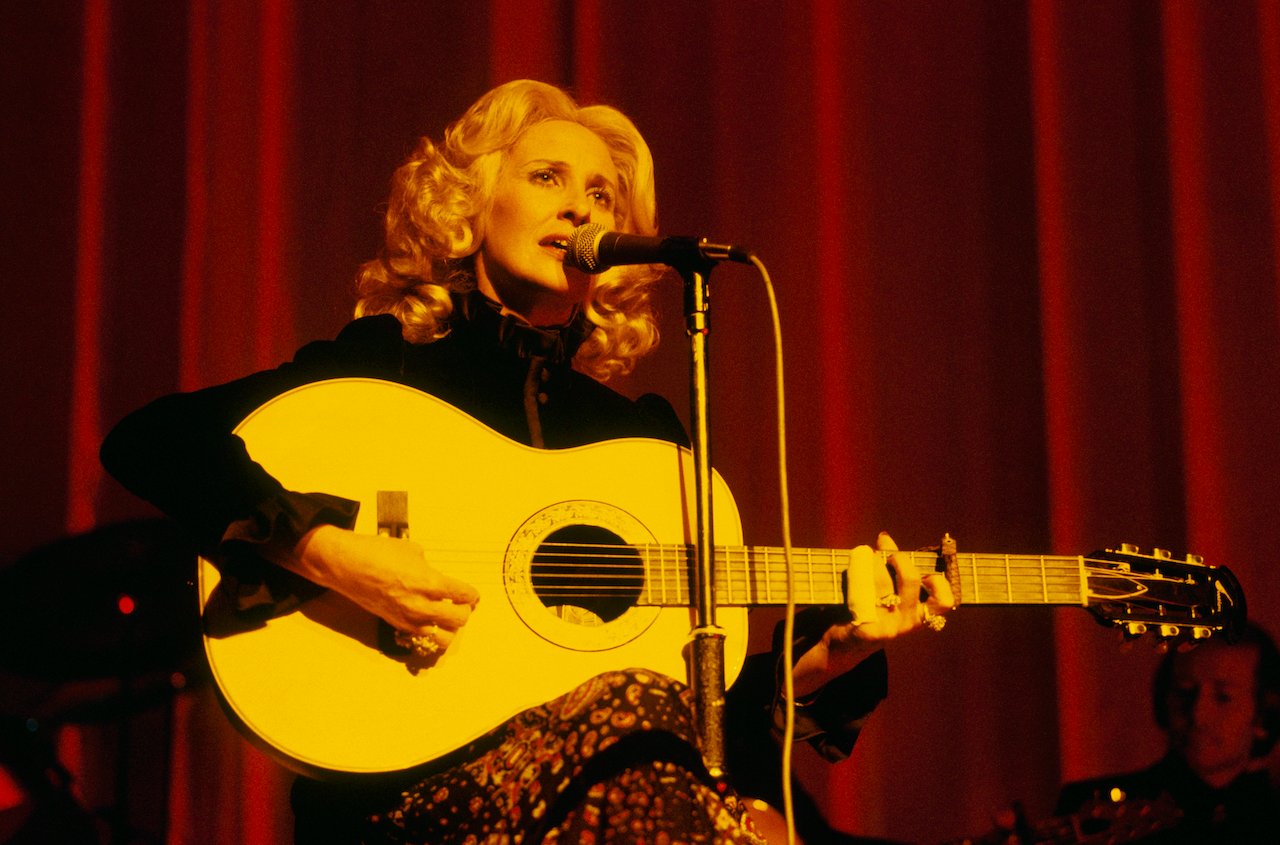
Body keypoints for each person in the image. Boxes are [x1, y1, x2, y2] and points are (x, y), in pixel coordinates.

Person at [100, 79, 953, 844]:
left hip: (612, 789)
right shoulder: (382, 370)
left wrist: (833, 649)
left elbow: (700, 722)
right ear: (469, 205)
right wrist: (329, 552)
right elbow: (150, 439)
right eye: (547, 178)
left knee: (697, 766)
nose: (582, 210)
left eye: (602, 194)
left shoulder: (641, 447)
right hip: (408, 793)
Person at [1055, 623, 1280, 843]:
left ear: (1263, 714)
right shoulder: (1090, 812)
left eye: (1223, 697)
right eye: (1184, 691)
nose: (1198, 715)